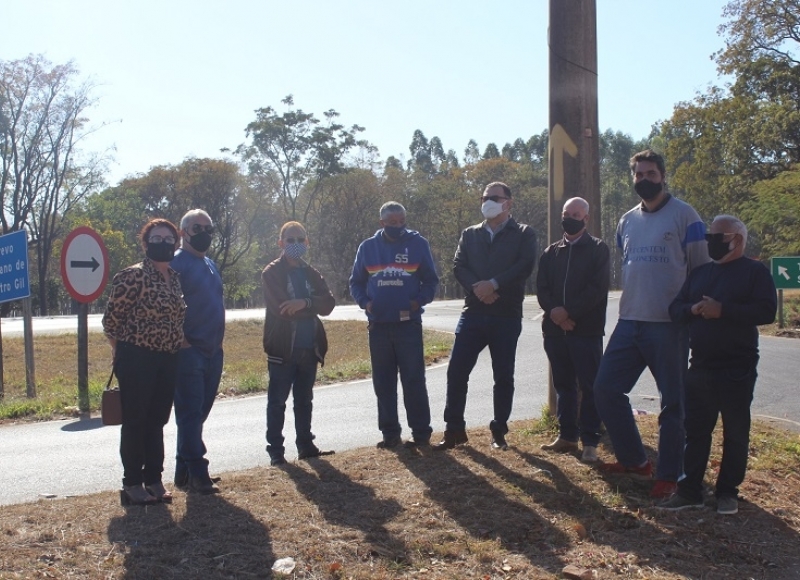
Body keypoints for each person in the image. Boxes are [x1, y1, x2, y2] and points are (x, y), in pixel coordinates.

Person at [593, 149, 710, 499]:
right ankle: (635, 461)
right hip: (630, 320)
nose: (644, 179)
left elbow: (701, 271)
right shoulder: (626, 220)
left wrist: (688, 314)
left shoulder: (686, 216)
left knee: (672, 403)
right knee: (605, 389)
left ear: (663, 175)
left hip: (668, 324)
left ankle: (670, 474)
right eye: (638, 174)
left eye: (651, 173)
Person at [659, 215, 777, 515]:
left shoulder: (754, 272)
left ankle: (727, 492)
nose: (711, 241)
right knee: (696, 431)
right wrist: (694, 308)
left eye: (717, 236)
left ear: (737, 240)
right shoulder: (700, 274)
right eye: (709, 235)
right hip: (700, 365)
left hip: (737, 366)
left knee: (736, 432)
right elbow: (676, 309)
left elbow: (766, 311)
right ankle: (689, 491)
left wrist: (722, 310)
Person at [435, 181, 537, 451]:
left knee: (503, 375)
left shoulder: (524, 233)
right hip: (474, 312)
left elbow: (524, 266)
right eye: (484, 198)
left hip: (506, 314)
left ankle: (499, 430)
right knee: (457, 371)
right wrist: (478, 289)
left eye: (493, 197)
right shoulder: (470, 234)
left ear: (508, 202)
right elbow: (459, 265)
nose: (487, 202)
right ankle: (454, 429)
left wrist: (493, 284)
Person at [102, 218, 186, 505]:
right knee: (136, 421)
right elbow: (111, 321)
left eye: (168, 239)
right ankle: (132, 484)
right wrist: (119, 351)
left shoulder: (174, 277)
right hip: (137, 358)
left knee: (157, 421)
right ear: (146, 242)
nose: (162, 243)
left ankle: (154, 479)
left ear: (176, 243)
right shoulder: (132, 276)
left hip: (168, 358)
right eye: (156, 238)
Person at [349, 201, 439, 448]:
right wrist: (365, 303)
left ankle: (421, 434)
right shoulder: (368, 248)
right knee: (383, 382)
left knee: (414, 380)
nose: (398, 226)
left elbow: (431, 281)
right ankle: (390, 434)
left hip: (408, 325)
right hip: (378, 326)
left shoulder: (418, 244)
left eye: (402, 222)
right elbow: (355, 282)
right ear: (382, 223)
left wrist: (417, 301)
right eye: (392, 223)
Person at [536, 197, 609, 463]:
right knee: (564, 385)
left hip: (585, 330)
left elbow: (597, 289)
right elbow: (541, 287)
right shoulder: (550, 252)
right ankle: (567, 436)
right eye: (567, 213)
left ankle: (590, 441)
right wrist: (556, 313)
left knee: (590, 386)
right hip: (555, 332)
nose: (570, 218)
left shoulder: (598, 249)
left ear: (586, 219)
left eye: (576, 214)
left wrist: (569, 313)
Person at [262, 221, 336, 466]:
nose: (295, 244)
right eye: (290, 240)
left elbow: (329, 303)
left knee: (304, 400)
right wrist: (312, 304)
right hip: (283, 348)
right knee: (277, 402)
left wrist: (304, 302)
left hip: (309, 346)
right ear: (280, 243)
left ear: (307, 242)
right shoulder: (271, 273)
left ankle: (306, 446)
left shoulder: (311, 272)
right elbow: (282, 309)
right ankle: (276, 451)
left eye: (300, 240)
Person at [171, 209, 225, 495]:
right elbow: (168, 305)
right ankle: (199, 473)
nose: (203, 233)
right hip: (188, 352)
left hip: (213, 351)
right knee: (190, 414)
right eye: (196, 228)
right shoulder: (177, 263)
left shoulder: (210, 264)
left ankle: (184, 474)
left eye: (208, 228)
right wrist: (181, 339)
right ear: (183, 232)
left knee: (198, 414)